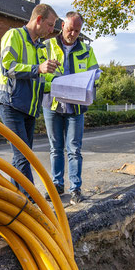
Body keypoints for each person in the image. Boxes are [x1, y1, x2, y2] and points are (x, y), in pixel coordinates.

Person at [0, 4, 60, 195]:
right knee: (24, 156)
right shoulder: (14, 36)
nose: (51, 31)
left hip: (30, 109)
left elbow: (43, 81)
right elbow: (8, 67)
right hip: (11, 103)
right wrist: (37, 68)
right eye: (50, 25)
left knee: (19, 159)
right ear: (38, 19)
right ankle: (32, 206)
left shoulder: (41, 49)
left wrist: (61, 85)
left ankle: (14, 201)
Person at [41, 11, 99, 205]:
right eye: (70, 28)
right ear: (62, 25)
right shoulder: (47, 46)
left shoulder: (86, 50)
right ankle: (57, 185)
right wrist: (55, 82)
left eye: (77, 30)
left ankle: (75, 188)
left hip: (76, 106)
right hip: (53, 103)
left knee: (74, 149)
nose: (72, 33)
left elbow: (94, 73)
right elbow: (39, 73)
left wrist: (95, 77)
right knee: (55, 148)